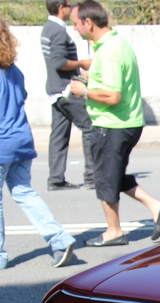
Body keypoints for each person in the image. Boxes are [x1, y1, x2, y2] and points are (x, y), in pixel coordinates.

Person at [68, 0, 160, 247]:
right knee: (112, 174)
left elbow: (113, 96)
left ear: (88, 22)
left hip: (112, 124)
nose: (74, 28)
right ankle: (156, 207)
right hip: (125, 123)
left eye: (75, 23)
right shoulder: (116, 44)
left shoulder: (109, 52)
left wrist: (84, 91)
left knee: (105, 177)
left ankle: (114, 231)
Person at [0, 17, 76, 269]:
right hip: (21, 140)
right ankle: (60, 239)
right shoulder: (13, 70)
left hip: (2, 143)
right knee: (24, 192)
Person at [41, 0, 94, 191]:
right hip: (66, 90)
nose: (70, 10)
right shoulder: (56, 31)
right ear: (61, 8)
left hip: (56, 90)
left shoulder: (48, 28)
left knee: (59, 136)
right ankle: (92, 176)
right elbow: (58, 62)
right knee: (89, 126)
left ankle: (55, 179)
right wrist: (82, 63)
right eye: (68, 6)